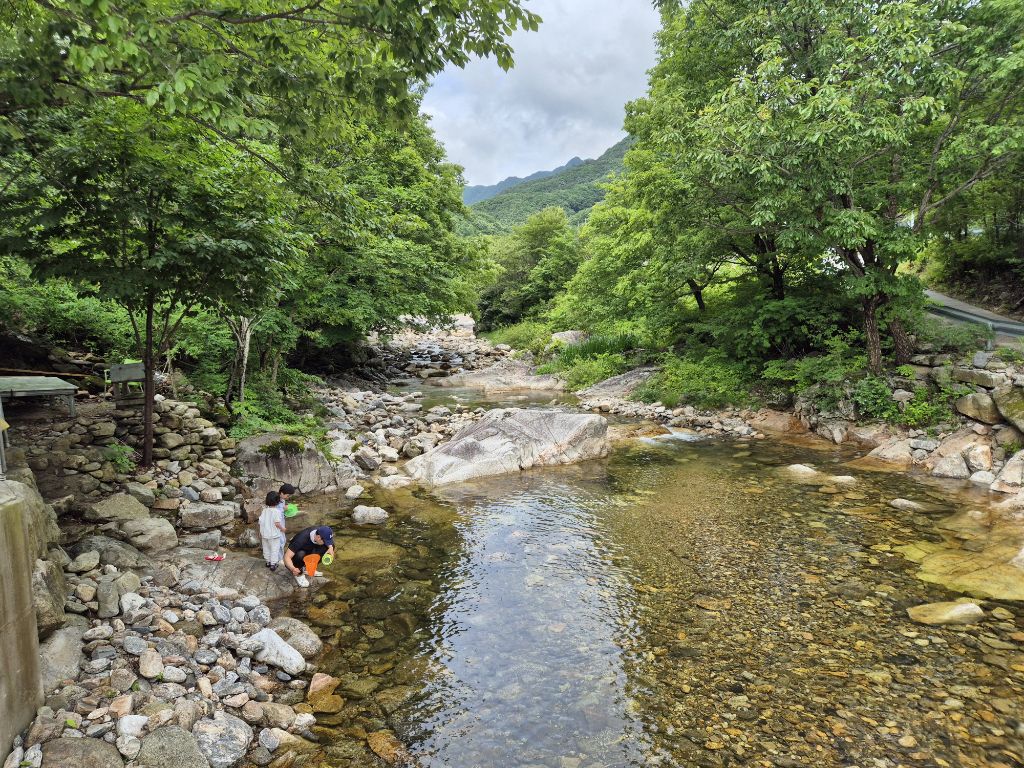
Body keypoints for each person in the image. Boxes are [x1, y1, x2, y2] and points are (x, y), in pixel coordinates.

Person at [258, 491, 287, 570]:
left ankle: (268, 562)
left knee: (266, 548)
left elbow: (261, 522)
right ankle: (273, 564)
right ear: (278, 501)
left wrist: (260, 532)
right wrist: (282, 529)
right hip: (274, 536)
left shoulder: (264, 510)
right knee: (274, 549)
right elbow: (277, 523)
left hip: (264, 534)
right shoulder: (277, 511)